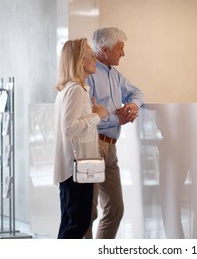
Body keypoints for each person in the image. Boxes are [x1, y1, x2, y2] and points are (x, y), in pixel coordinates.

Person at [84, 27, 144, 239]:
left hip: (111, 148)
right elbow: (85, 118)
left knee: (115, 209)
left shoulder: (115, 75)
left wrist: (134, 106)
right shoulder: (88, 75)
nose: (123, 54)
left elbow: (137, 92)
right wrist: (115, 119)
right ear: (104, 49)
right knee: (87, 213)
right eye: (120, 49)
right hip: (92, 146)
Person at [53, 38, 107, 239]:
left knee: (71, 222)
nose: (95, 59)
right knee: (78, 223)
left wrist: (91, 115)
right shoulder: (75, 90)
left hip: (74, 169)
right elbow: (69, 128)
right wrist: (97, 116)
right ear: (79, 60)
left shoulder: (72, 89)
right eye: (91, 55)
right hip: (75, 170)